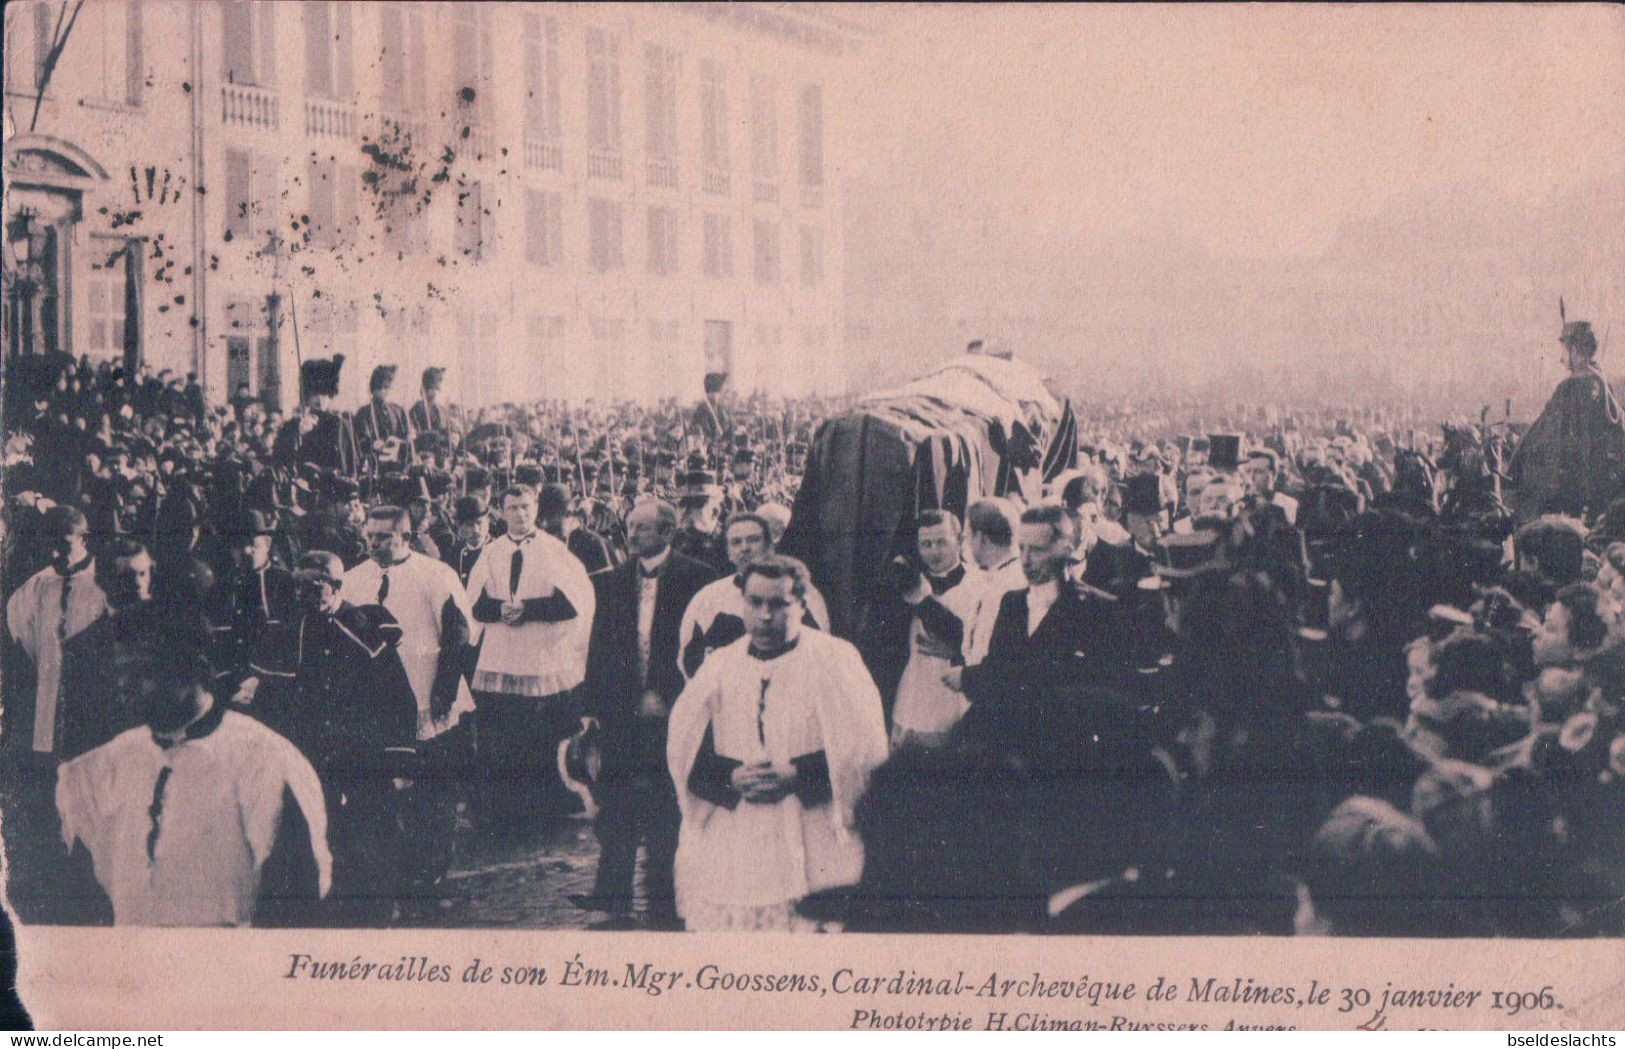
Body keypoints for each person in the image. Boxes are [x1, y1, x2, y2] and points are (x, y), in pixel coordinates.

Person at [667, 555, 888, 931]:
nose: (765, 615)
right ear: (743, 604)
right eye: (755, 603)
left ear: (801, 605)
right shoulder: (720, 665)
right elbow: (685, 748)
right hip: (737, 834)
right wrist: (730, 777)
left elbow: (865, 749)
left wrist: (798, 774)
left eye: (779, 604)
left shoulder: (835, 659)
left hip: (815, 826)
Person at [55, 642, 330, 927]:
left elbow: (297, 905)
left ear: (189, 669)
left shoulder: (267, 758)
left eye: (143, 671)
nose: (126, 685)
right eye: (122, 672)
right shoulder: (106, 763)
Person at [236, 551, 418, 925]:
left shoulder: (365, 627)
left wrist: (398, 757)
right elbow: (273, 694)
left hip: (363, 750)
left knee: (370, 831)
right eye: (300, 587)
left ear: (337, 586)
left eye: (316, 586)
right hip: (310, 750)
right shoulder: (287, 631)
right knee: (314, 828)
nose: (307, 594)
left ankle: (377, 908)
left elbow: (398, 697)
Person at [579, 499, 715, 929]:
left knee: (663, 805)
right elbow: (599, 647)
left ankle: (663, 898)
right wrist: (593, 709)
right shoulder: (612, 581)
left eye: (641, 527)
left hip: (670, 711)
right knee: (615, 802)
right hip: (620, 711)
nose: (631, 534)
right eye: (630, 526)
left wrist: (671, 695)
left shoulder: (697, 578)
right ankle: (611, 894)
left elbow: (700, 650)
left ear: (666, 532)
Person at [343, 505, 476, 912]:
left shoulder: (436, 575)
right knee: (389, 788)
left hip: (429, 695)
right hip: (379, 707)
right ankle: (398, 871)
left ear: (405, 535)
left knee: (435, 790)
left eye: (382, 536)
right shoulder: (352, 579)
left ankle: (432, 874)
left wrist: (444, 691)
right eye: (369, 535)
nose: (373, 542)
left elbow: (457, 634)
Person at [465, 484, 597, 828]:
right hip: (501, 655)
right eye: (512, 508)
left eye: (525, 507)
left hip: (540, 654)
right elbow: (473, 604)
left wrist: (528, 609)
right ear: (501, 512)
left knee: (540, 731)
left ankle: (543, 806)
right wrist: (499, 610)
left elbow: (576, 604)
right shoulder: (491, 553)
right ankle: (505, 807)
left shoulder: (554, 550)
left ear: (535, 508)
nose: (520, 514)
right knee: (502, 729)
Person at [952, 505, 1127, 751]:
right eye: (1021, 548)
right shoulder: (1012, 603)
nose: (1026, 559)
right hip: (1007, 750)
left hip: (1062, 754)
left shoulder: (1097, 609)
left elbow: (1100, 695)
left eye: (1037, 550)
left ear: (1066, 548)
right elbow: (997, 669)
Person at [678, 512, 829, 680]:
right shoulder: (709, 597)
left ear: (769, 547)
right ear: (728, 552)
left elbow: (819, 650)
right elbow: (689, 659)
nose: (744, 548)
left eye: (753, 540)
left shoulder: (797, 590)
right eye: (736, 542)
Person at [1508, 314, 1625, 521]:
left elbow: (1543, 434)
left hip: (1573, 493)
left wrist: (1517, 459)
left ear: (1575, 351)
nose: (1561, 360)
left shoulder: (1570, 388)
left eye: (1564, 352)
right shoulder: (1602, 383)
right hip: (1604, 490)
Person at [888, 510, 980, 748]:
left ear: (959, 541)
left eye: (942, 542)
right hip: (913, 692)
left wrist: (957, 650)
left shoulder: (977, 583)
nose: (934, 552)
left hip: (955, 695)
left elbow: (974, 634)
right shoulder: (908, 581)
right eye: (925, 544)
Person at [273, 356, 359, 477]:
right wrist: (298, 433)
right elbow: (279, 458)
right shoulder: (294, 424)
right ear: (307, 395)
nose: (319, 400)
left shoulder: (340, 424)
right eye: (314, 394)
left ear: (330, 395)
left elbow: (350, 465)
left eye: (324, 394)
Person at [538, 482, 613, 576]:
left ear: (569, 513)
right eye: (543, 519)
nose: (545, 524)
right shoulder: (535, 543)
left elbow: (605, 586)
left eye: (554, 516)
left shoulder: (591, 544)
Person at [354, 365, 414, 473]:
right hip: (375, 463)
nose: (383, 392)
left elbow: (408, 436)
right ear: (373, 389)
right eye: (379, 388)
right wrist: (373, 443)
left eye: (386, 388)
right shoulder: (364, 412)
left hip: (398, 460)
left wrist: (398, 442)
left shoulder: (398, 410)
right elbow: (362, 439)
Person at [442, 494, 491, 587]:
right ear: (460, 526)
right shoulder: (454, 552)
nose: (476, 529)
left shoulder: (499, 550)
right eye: (469, 525)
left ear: (488, 521)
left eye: (479, 523)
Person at [408, 367, 458, 455]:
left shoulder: (440, 409)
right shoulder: (418, 408)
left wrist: (452, 433)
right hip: (426, 451)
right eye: (439, 381)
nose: (434, 393)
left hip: (444, 450)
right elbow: (414, 433)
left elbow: (452, 428)